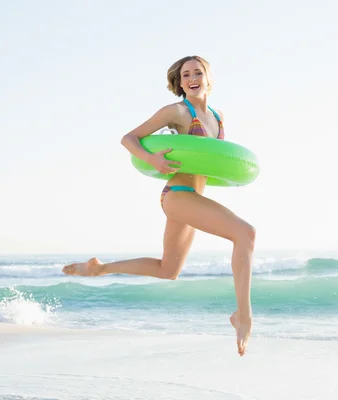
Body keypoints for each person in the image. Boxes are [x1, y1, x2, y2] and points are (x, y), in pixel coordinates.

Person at [62, 55, 255, 357]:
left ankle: (99, 269)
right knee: (246, 233)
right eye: (185, 74)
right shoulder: (177, 112)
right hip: (178, 194)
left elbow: (214, 159)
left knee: (169, 269)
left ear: (209, 79)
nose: (192, 78)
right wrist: (152, 159)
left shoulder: (218, 118)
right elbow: (129, 138)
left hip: (194, 198)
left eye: (198, 72)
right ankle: (243, 316)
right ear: (179, 83)